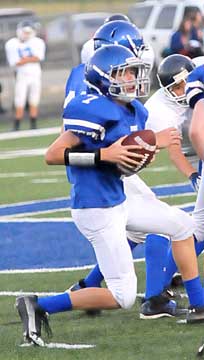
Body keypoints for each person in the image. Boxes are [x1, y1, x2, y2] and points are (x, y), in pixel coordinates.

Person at [16, 45, 204, 346]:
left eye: (134, 71)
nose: (134, 77)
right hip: (96, 209)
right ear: (106, 77)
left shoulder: (134, 110)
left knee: (182, 226)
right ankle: (38, 305)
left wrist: (140, 155)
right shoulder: (93, 108)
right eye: (126, 72)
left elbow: (123, 162)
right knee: (123, 295)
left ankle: (200, 304)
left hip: (119, 199)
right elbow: (52, 155)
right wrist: (104, 154)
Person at [5, 21, 46, 131]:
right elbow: (15, 62)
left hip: (35, 74)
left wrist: (25, 60)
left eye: (28, 32)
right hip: (21, 75)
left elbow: (38, 57)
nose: (26, 35)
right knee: (20, 99)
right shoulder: (12, 43)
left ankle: (33, 124)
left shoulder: (38, 42)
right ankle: (17, 124)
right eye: (25, 32)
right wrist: (29, 59)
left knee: (34, 98)